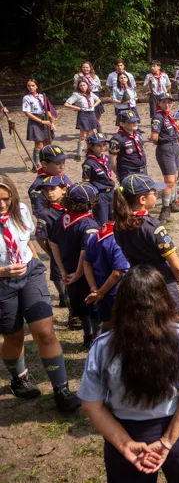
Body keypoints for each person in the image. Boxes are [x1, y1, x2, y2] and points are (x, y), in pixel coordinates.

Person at [77, 265, 179, 482]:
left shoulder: (102, 347)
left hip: (126, 431)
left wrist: (125, 445)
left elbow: (91, 405)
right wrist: (167, 441)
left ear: (121, 303)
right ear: (163, 299)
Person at [0, 174, 81, 412]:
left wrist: (32, 262)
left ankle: (61, 389)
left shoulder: (21, 210)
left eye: (6, 199)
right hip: (2, 282)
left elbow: (26, 240)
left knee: (45, 332)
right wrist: (3, 271)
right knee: (14, 337)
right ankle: (19, 377)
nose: (3, 205)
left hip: (30, 274)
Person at [112, 174, 179, 314]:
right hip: (160, 280)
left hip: (136, 281)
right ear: (142, 199)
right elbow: (177, 266)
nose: (156, 194)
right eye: (153, 192)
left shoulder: (119, 225)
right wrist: (177, 278)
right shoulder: (152, 226)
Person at [49, 182, 101, 348]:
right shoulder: (89, 225)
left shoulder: (61, 219)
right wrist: (78, 274)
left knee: (80, 308)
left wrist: (63, 271)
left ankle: (87, 336)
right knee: (93, 309)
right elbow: (84, 253)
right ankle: (97, 341)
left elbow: (53, 244)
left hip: (69, 273)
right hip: (87, 275)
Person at [83, 217, 129, 332]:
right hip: (117, 290)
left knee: (107, 323)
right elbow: (117, 273)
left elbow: (87, 263)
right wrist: (99, 293)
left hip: (100, 286)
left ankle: (103, 347)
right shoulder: (118, 239)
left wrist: (94, 288)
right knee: (124, 324)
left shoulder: (95, 237)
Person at [34, 175, 69, 312]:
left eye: (53, 189)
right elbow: (40, 238)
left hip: (72, 250)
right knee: (60, 277)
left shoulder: (71, 207)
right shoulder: (45, 214)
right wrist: (50, 252)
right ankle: (63, 298)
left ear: (64, 189)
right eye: (45, 190)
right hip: (57, 251)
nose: (49, 193)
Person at [150, 95, 179, 222]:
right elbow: (154, 138)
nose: (167, 105)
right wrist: (165, 141)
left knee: (175, 178)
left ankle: (172, 203)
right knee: (169, 180)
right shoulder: (158, 117)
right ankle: (164, 210)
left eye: (169, 102)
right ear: (159, 103)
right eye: (164, 102)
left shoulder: (169, 116)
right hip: (166, 149)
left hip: (174, 146)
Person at [22, 79, 56, 169]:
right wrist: (41, 121)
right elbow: (27, 113)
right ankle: (36, 164)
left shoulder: (42, 96)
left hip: (45, 118)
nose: (31, 87)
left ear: (36, 86)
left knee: (47, 142)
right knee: (38, 144)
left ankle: (47, 163)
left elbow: (48, 110)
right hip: (35, 120)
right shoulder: (27, 98)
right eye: (29, 86)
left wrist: (52, 123)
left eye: (33, 85)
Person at [29, 145, 73, 215]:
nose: (62, 167)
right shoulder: (38, 186)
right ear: (44, 164)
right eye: (57, 163)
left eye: (63, 162)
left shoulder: (63, 177)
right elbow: (39, 212)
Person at [64, 77, 100, 160]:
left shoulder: (90, 93)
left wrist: (93, 106)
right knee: (83, 136)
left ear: (87, 85)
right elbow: (66, 104)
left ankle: (89, 152)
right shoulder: (76, 95)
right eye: (80, 86)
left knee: (90, 135)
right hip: (83, 114)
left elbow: (98, 100)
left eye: (84, 85)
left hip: (91, 114)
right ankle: (78, 154)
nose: (82, 87)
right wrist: (78, 108)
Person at [82, 132, 115, 224]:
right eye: (98, 145)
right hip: (100, 195)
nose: (102, 148)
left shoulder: (106, 158)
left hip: (111, 192)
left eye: (104, 145)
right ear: (91, 146)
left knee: (113, 219)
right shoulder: (89, 163)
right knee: (102, 222)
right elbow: (86, 183)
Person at [75, 61, 105, 132]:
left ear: (90, 68)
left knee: (98, 116)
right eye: (84, 67)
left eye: (87, 67)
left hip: (95, 95)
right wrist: (81, 77)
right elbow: (75, 87)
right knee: (91, 117)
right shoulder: (77, 76)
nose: (85, 69)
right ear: (81, 68)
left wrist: (99, 89)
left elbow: (99, 86)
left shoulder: (95, 76)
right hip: (85, 96)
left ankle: (100, 133)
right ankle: (93, 134)